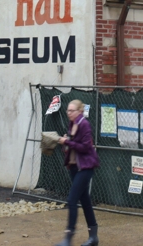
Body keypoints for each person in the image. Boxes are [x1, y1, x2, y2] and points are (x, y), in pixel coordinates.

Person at [56, 99, 99, 246]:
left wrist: (66, 142)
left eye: (71, 110)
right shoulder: (72, 124)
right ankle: (93, 237)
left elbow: (86, 147)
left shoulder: (84, 124)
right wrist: (66, 142)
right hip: (74, 167)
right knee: (85, 201)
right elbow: (74, 146)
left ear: (79, 111)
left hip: (85, 168)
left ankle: (68, 238)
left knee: (72, 200)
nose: (68, 113)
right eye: (67, 110)